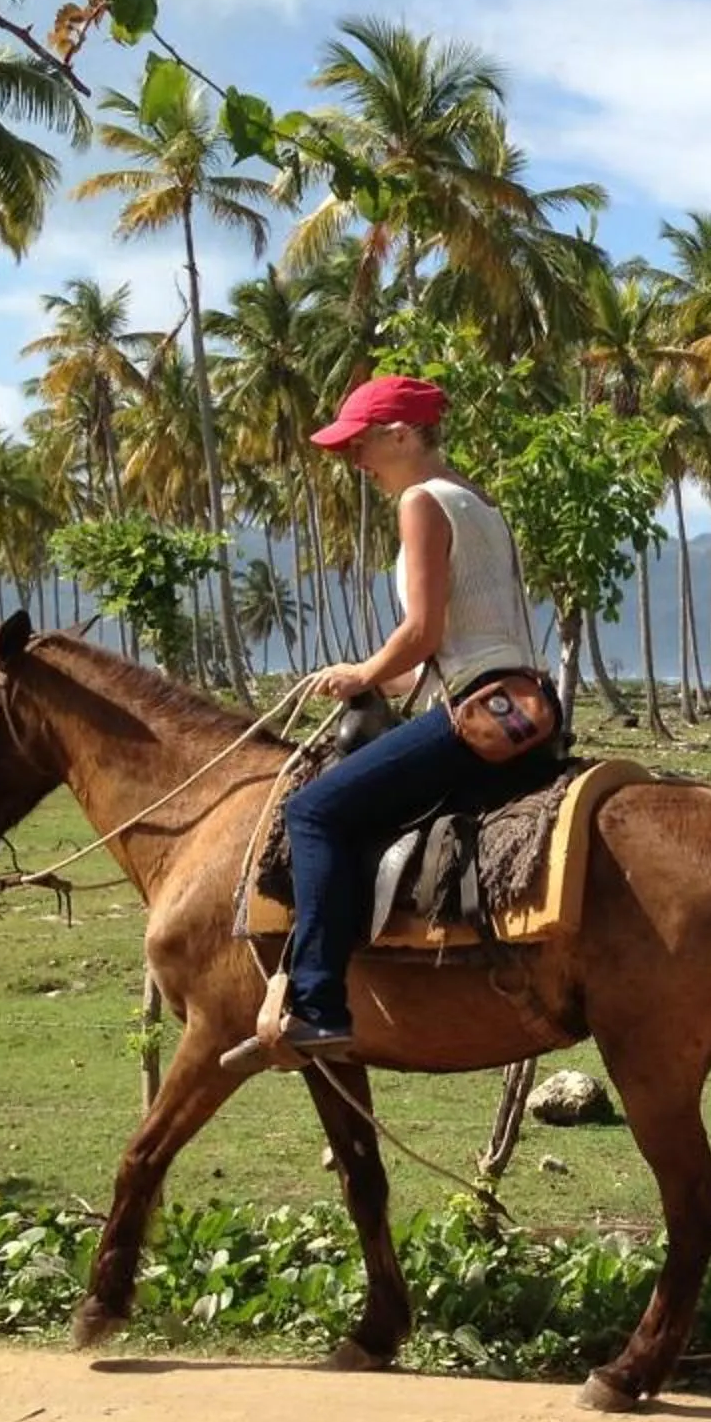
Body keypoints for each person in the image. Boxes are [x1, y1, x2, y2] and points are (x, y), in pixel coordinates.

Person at [264, 374, 552, 1059]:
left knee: (313, 814)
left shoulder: (421, 502)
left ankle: (318, 1002)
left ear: (401, 435)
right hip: (522, 699)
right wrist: (362, 680)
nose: (356, 462)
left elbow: (421, 633)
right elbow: (443, 644)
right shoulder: (479, 501)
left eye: (361, 445)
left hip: (472, 708)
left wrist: (363, 672)